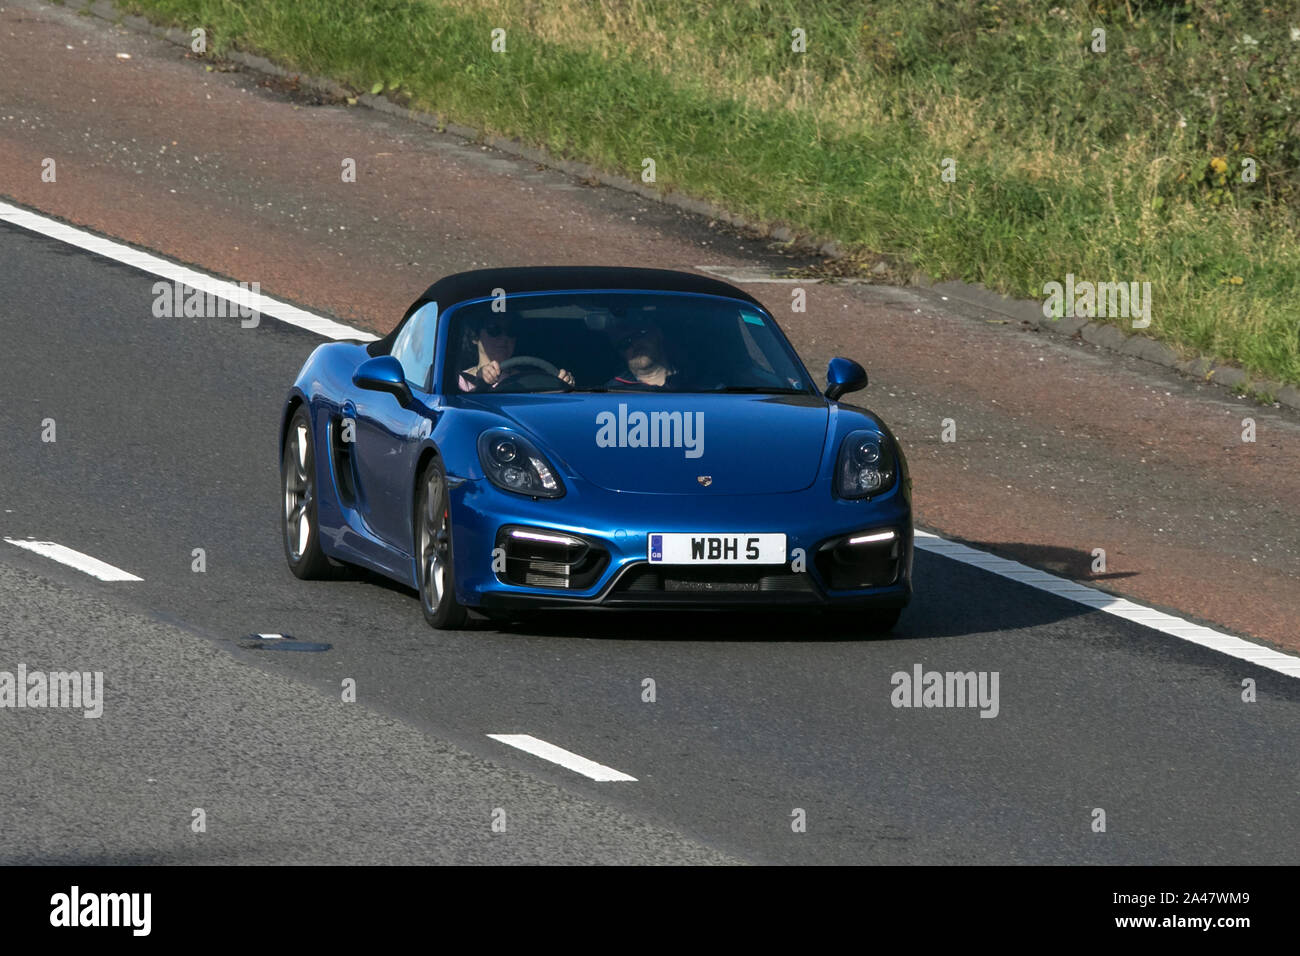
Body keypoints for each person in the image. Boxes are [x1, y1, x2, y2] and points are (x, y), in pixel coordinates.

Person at [458, 317, 574, 392]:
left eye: (511, 330)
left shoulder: (531, 379)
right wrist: (480, 380)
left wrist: (561, 384)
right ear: (475, 336)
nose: (504, 337)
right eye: (494, 330)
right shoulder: (459, 381)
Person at [605, 319, 681, 389]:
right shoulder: (612, 392)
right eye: (625, 343)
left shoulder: (690, 380)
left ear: (658, 334)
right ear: (620, 353)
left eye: (639, 334)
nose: (634, 344)